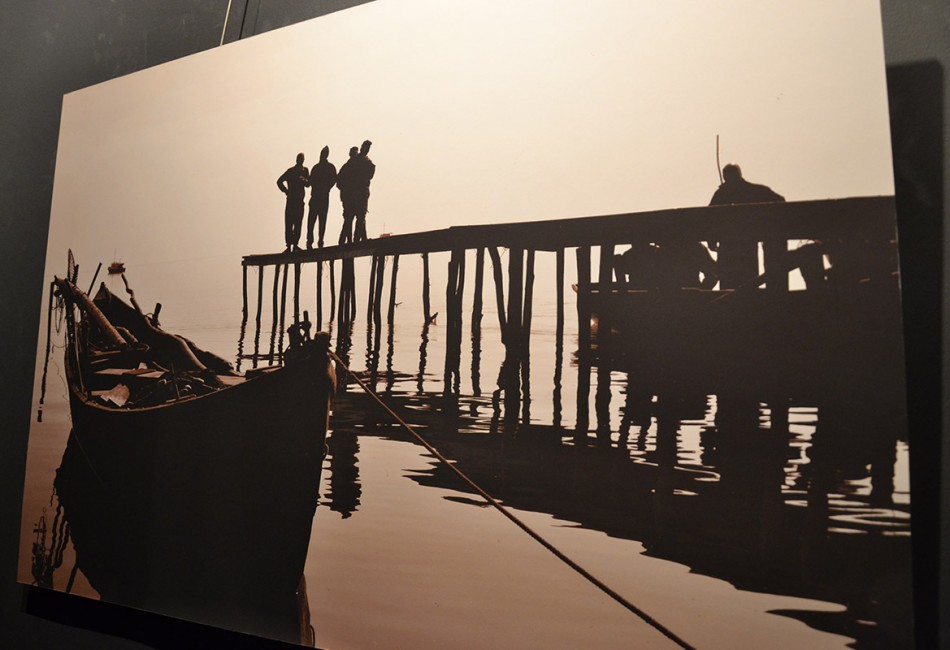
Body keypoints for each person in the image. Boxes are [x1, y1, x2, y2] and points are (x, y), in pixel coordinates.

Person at [708, 163, 785, 289]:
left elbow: (709, 217)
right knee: (749, 282)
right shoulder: (755, 190)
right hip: (748, 243)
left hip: (729, 245)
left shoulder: (721, 194)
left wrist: (711, 239)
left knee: (729, 286)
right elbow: (780, 200)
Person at [277, 153, 310, 252]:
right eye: (299, 159)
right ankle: (289, 246)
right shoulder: (290, 171)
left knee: (297, 224)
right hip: (291, 201)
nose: (300, 161)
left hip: (299, 202)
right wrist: (286, 191)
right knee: (289, 223)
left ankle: (295, 245)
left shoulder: (305, 171)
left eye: (301, 159)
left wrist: (302, 179)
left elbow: (308, 184)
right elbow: (279, 181)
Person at [306, 146, 337, 249]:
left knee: (318, 221)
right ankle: (313, 242)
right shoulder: (322, 167)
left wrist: (326, 188)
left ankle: (317, 241)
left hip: (320, 197)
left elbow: (333, 180)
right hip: (318, 197)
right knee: (314, 221)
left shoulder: (320, 168)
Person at [352, 139, 376, 243]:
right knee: (360, 216)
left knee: (360, 216)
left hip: (358, 191)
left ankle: (361, 237)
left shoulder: (358, 160)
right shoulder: (364, 161)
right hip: (358, 191)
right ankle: (358, 239)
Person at [336, 146, 360, 245]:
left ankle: (346, 240)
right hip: (349, 198)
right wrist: (346, 190)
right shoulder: (346, 167)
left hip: (353, 197)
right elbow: (338, 183)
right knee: (349, 219)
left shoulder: (353, 167)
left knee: (349, 219)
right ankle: (347, 240)